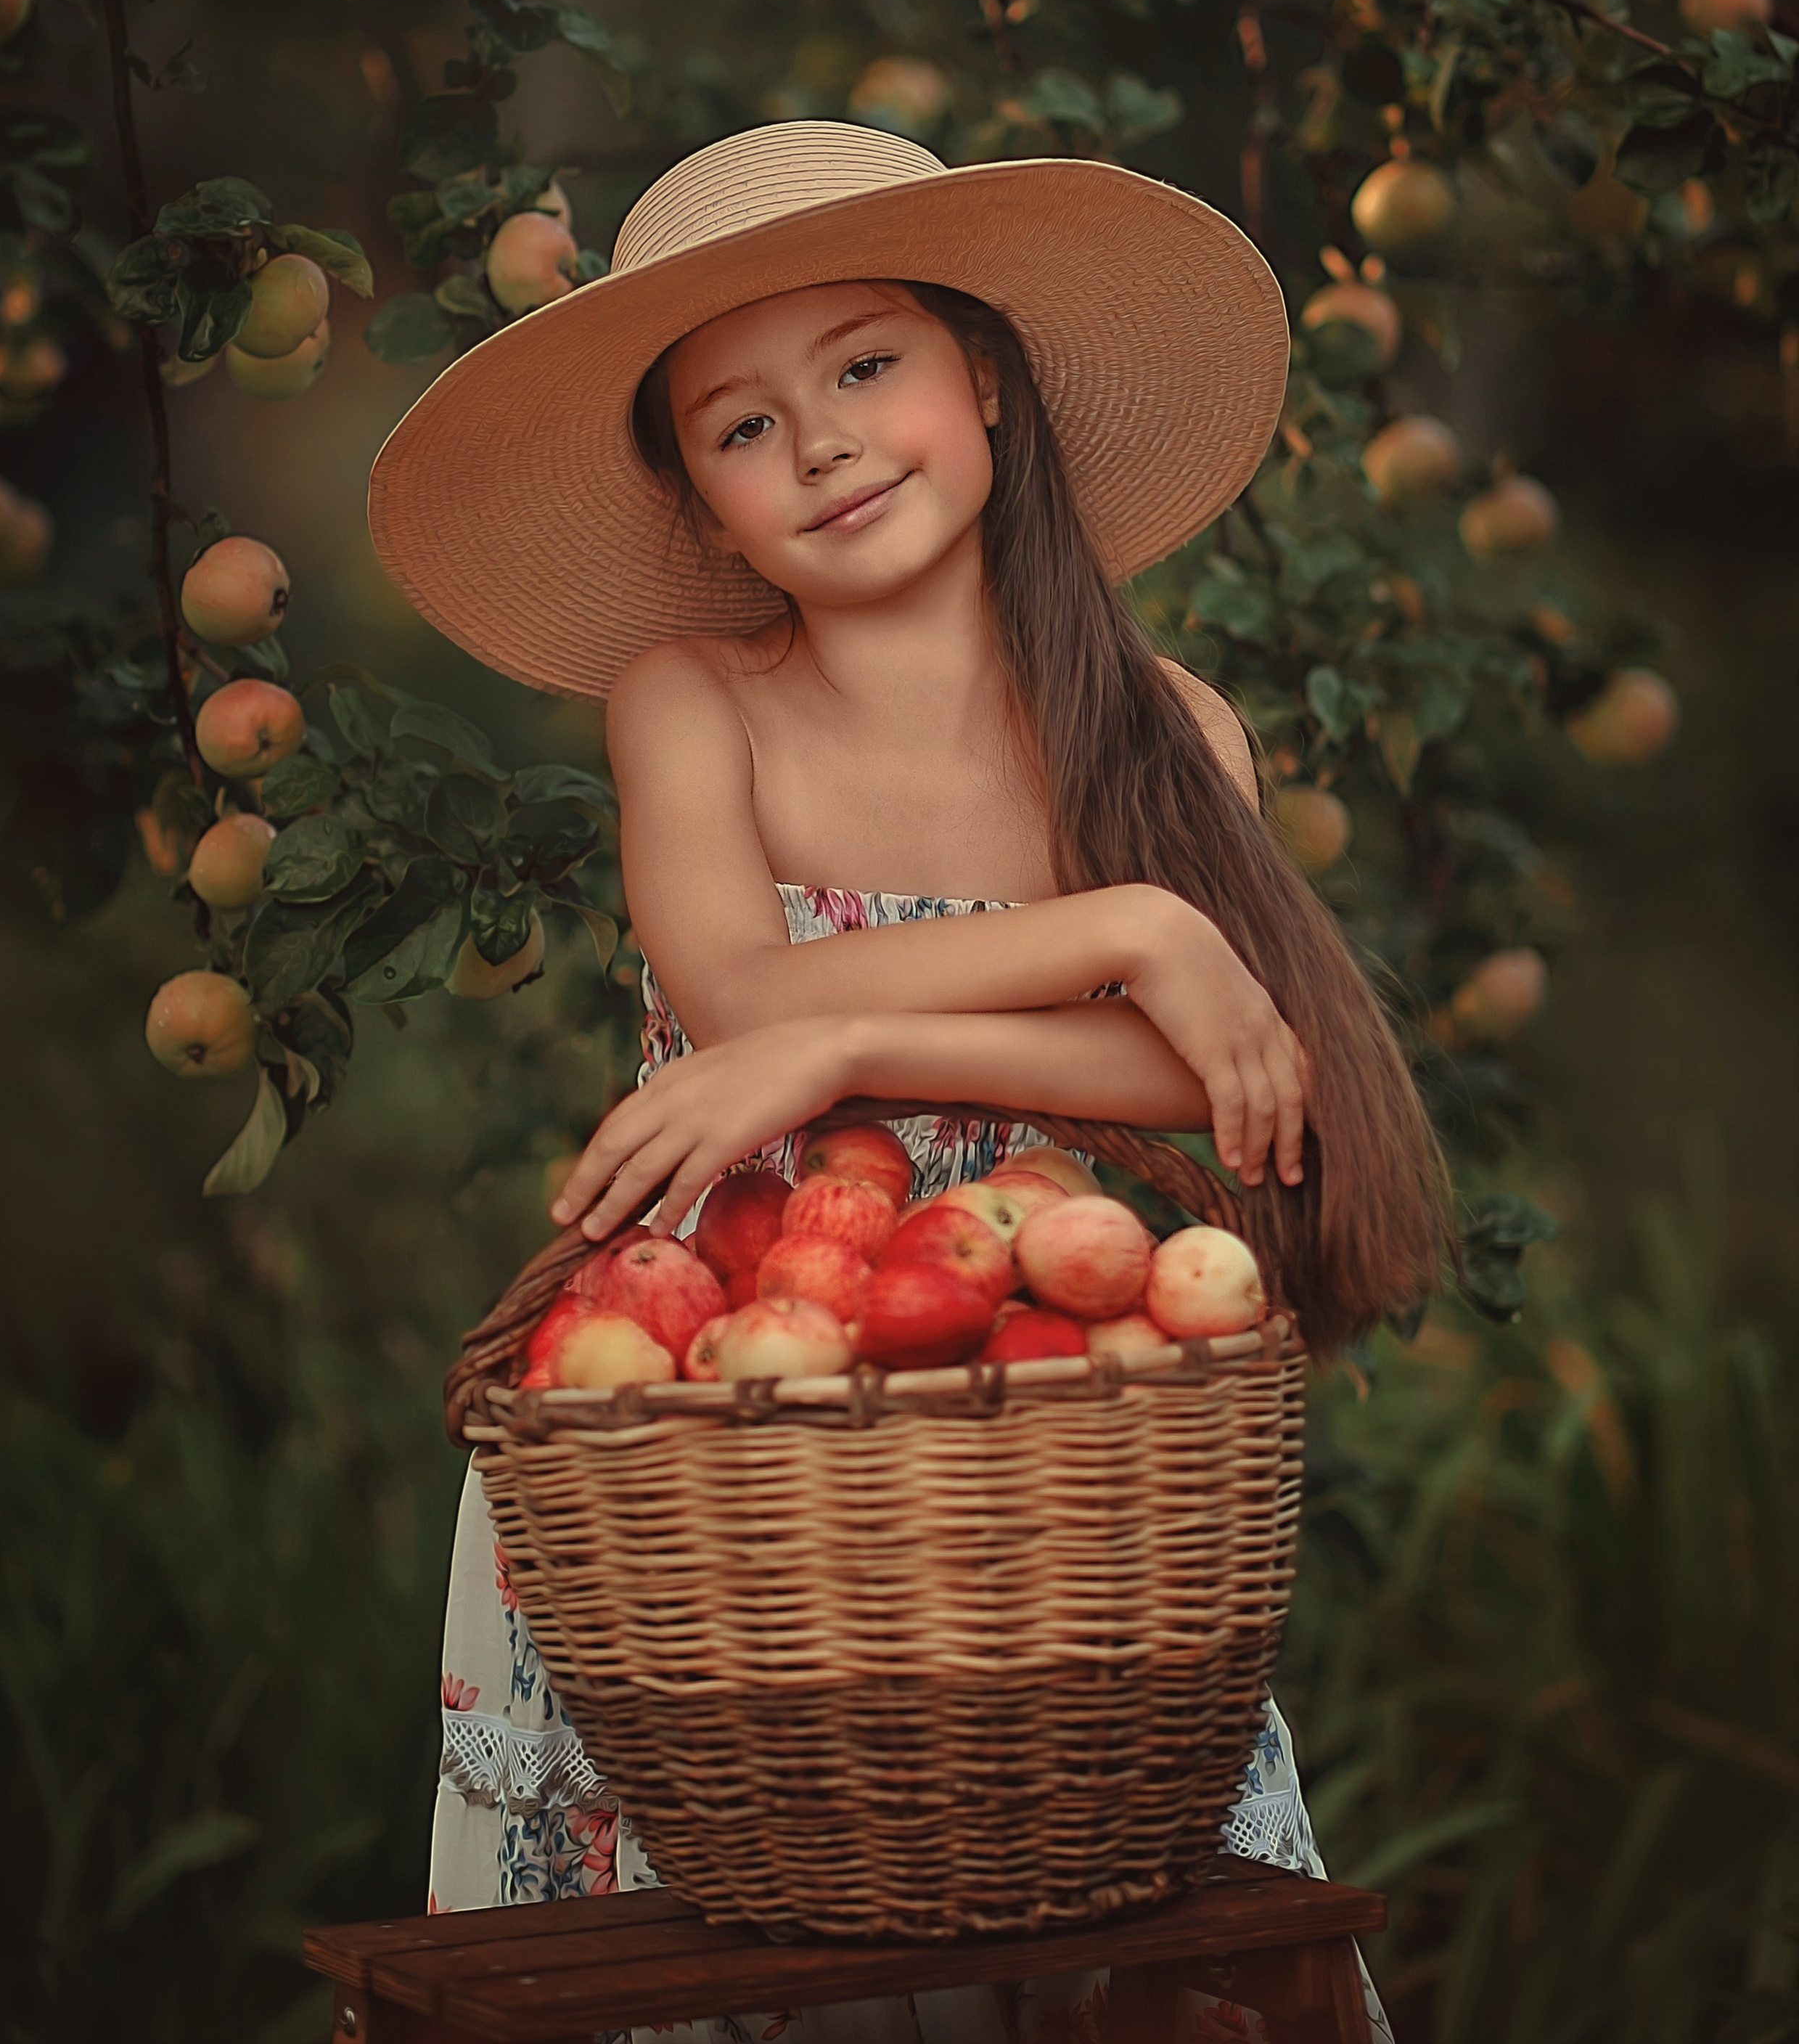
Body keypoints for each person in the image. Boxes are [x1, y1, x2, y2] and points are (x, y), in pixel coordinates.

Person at [371, 120, 1444, 2040]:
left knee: (1095, 1905)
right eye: (744, 426)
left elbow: (1201, 1088)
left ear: (991, 388)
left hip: (1045, 1404)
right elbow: (735, 987)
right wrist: (1130, 926)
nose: (829, 443)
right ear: (703, 509)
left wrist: (864, 1034)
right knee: (736, 1937)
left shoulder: (1164, 728)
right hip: (718, 1427)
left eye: (866, 366)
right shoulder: (696, 699)